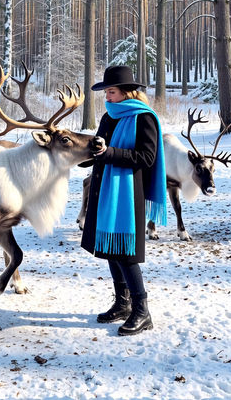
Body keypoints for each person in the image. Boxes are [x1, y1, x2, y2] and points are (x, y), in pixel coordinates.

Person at [80, 64, 167, 335]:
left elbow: (146, 158)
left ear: (127, 92)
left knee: (126, 253)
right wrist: (88, 152)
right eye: (106, 92)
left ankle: (142, 311)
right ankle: (123, 303)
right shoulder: (109, 116)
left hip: (129, 193)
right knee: (110, 248)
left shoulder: (144, 118)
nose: (107, 97)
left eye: (111, 92)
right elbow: (101, 146)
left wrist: (109, 153)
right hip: (104, 189)